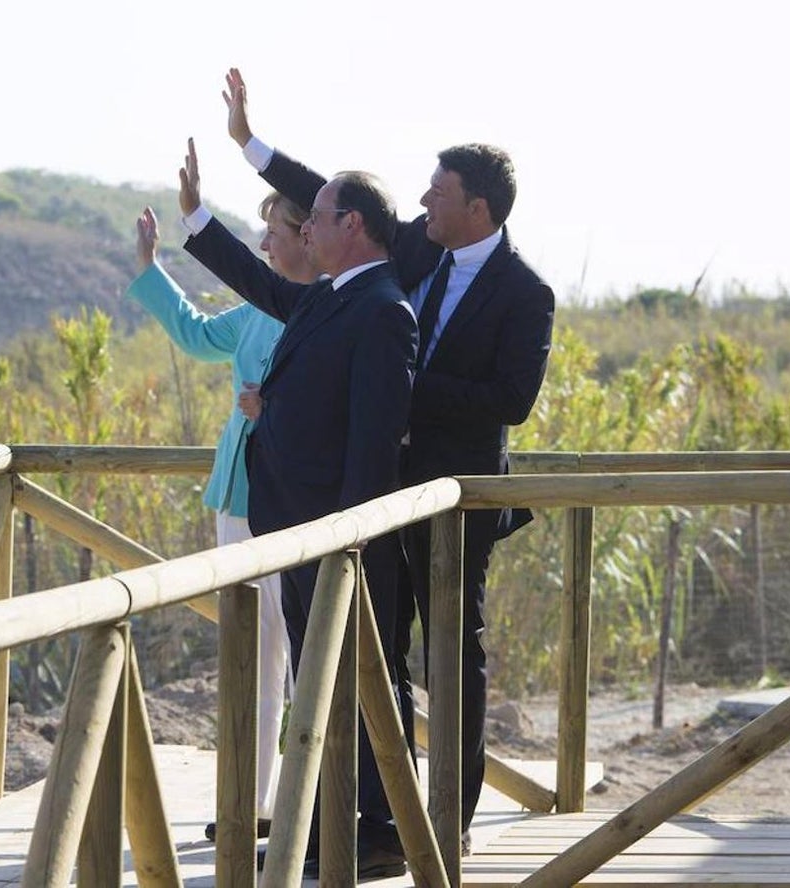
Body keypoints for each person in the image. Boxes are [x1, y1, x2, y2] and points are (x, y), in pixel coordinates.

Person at [222, 67, 556, 844]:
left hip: (456, 500)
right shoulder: (418, 248)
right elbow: (330, 196)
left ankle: (449, 822)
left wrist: (397, 384)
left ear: (478, 209)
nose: (423, 202)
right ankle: (384, 817)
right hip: (383, 489)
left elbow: (511, 400)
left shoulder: (525, 292)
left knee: (453, 657)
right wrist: (250, 145)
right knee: (381, 653)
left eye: (438, 193)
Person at [178, 137, 418, 881]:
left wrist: (349, 537)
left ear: (354, 224)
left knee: (359, 683)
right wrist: (196, 221)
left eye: (316, 217)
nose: (305, 229)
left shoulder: (382, 310)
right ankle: (320, 825)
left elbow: (374, 442)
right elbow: (259, 281)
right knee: (319, 688)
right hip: (297, 532)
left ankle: (379, 832)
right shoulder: (328, 296)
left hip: (338, 539)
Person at [125, 192, 319, 841]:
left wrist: (275, 407)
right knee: (251, 654)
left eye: (273, 233)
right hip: (236, 500)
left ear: (310, 237)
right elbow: (198, 336)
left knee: (303, 654)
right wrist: (150, 267)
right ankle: (249, 802)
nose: (263, 246)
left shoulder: (332, 309)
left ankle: (301, 804)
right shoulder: (258, 309)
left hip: (297, 506)